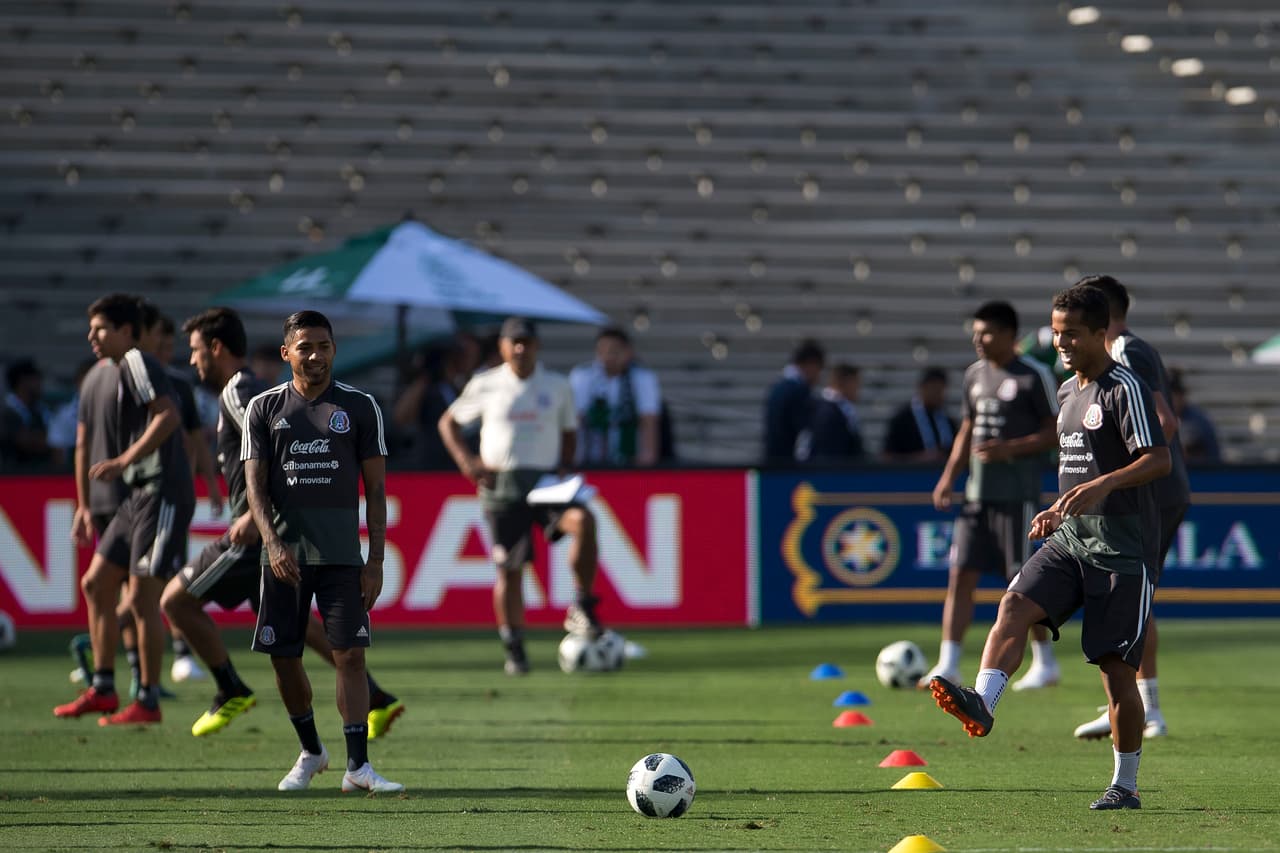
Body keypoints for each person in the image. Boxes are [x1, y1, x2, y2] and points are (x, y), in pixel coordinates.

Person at [929, 283, 1171, 810]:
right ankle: (983, 702)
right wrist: (1059, 506)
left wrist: (1105, 485)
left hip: (1122, 552)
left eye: (1072, 335)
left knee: (1115, 674)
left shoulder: (1122, 387)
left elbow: (1158, 459)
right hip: (1070, 538)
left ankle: (1124, 783)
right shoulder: (1065, 390)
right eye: (1056, 332)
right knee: (1013, 603)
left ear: (1102, 334)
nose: (1060, 343)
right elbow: (1076, 469)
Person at [164, 307, 404, 740]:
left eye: (196, 350)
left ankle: (230, 687)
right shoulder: (250, 393)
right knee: (289, 633)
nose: (193, 359)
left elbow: (277, 458)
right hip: (272, 532)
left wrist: (255, 517)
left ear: (216, 348)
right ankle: (373, 697)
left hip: (261, 532)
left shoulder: (241, 395)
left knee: (175, 602)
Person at [242, 310, 403, 793]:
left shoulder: (359, 407)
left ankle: (358, 769)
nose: (316, 355)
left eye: (325, 346)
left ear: (334, 350)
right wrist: (271, 544)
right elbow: (255, 490)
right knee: (284, 658)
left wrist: (374, 561)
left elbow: (375, 491)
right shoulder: (263, 408)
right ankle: (311, 750)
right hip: (283, 558)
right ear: (286, 353)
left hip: (341, 558)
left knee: (350, 655)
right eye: (306, 347)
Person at [54, 293, 194, 725]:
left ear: (127, 332)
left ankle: (148, 700)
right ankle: (103, 687)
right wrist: (83, 502)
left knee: (141, 597)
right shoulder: (99, 374)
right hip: (135, 496)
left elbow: (168, 416)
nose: (92, 336)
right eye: (92, 328)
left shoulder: (138, 362)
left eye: (101, 329)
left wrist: (123, 460)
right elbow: (81, 444)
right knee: (96, 584)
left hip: (161, 491)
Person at [439, 317, 604, 675]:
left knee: (585, 520)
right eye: (513, 342)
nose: (520, 348)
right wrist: (467, 462)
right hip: (503, 485)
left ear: (536, 346)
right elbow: (448, 422)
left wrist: (565, 464)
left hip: (546, 482)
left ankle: (582, 603)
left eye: (526, 342)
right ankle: (513, 645)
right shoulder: (486, 384)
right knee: (510, 570)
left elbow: (569, 431)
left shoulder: (558, 386)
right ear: (501, 347)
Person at [1070, 275, 1191, 741]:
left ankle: (1146, 707)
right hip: (1157, 491)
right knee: (1131, 597)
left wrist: (1129, 478)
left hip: (1151, 495)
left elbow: (1163, 421)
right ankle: (1132, 702)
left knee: (1130, 596)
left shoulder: (1125, 352)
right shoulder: (1138, 348)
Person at [920, 301, 1061, 691]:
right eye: (975, 332)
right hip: (976, 495)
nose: (978, 340)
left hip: (1017, 496)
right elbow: (968, 427)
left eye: (986, 332)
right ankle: (948, 662)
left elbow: (1055, 432)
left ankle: (1045, 662)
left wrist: (1010, 448)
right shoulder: (974, 376)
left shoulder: (1035, 375)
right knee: (960, 572)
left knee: (1021, 583)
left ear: (1009, 335)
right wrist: (949, 476)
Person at [569, 326, 663, 467]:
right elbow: (576, 419)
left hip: (629, 461)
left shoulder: (642, 377)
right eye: (602, 351)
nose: (607, 356)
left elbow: (649, 421)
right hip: (591, 459)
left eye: (614, 351)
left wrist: (647, 461)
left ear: (628, 352)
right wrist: (573, 460)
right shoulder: (583, 376)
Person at [391, 334, 481, 470]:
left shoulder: (457, 387)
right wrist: (425, 376)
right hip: (431, 463)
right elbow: (400, 417)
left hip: (456, 463)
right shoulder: (427, 388)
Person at [762, 339, 825, 463]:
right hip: (788, 466)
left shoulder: (778, 387)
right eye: (819, 369)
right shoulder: (799, 390)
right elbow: (805, 433)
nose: (819, 377)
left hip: (772, 462)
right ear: (810, 364)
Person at [882, 367, 957, 462]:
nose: (937, 394)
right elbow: (887, 456)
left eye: (941, 390)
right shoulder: (902, 420)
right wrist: (919, 458)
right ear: (922, 388)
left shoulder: (948, 421)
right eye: (933, 388)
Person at [1, 358, 57, 471]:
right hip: (11, 479)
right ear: (23, 381)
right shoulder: (6, 411)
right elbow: (26, 442)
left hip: (40, 476)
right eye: (36, 379)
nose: (40, 383)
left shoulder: (40, 410)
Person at [808, 363, 866, 461]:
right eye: (857, 383)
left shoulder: (827, 407)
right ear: (847, 382)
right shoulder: (828, 412)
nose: (858, 389)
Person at [1167, 368, 1222, 463]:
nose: (1172, 400)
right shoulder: (1159, 418)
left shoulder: (1197, 420)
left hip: (1200, 473)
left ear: (1182, 395)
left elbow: (1210, 454)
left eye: (1175, 394)